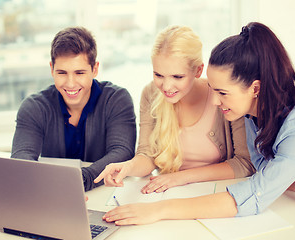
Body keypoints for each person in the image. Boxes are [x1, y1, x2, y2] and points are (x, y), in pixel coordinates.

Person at [101, 22, 295, 225]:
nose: (214, 101)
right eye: (213, 90)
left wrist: (159, 210)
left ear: (255, 88)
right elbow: (266, 171)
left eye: (222, 93)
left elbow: (252, 195)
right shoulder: (251, 114)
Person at [94, 25, 254, 194]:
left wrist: (181, 178)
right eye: (158, 75)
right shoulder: (150, 93)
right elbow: (147, 156)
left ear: (198, 70)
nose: (166, 86)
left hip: (217, 193)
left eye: (178, 76)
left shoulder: (222, 95)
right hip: (169, 192)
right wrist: (127, 167)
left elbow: (244, 163)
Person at [11, 27, 136, 191]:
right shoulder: (34, 107)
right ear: (51, 69)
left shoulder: (116, 99)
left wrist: (78, 182)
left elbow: (122, 152)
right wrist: (52, 188)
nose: (70, 83)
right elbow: (22, 158)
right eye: (62, 73)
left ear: (95, 69)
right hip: (51, 193)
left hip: (104, 190)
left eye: (79, 73)